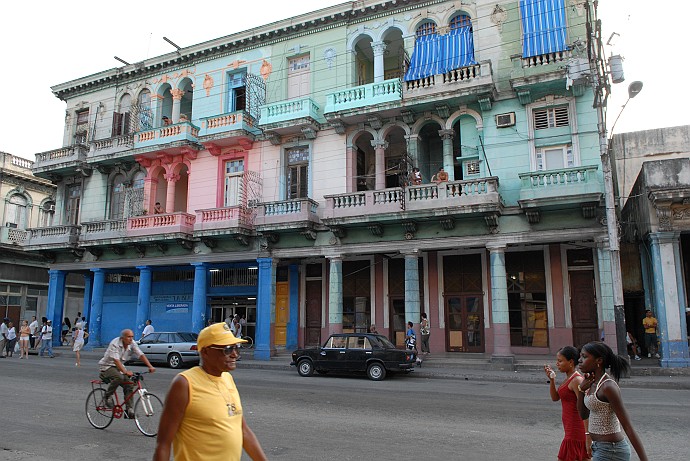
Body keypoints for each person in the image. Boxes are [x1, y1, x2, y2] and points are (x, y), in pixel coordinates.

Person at [153, 322, 267, 461]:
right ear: (206, 352)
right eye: (227, 349)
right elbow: (163, 444)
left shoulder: (227, 378)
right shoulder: (184, 384)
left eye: (236, 348)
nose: (234, 354)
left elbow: (243, 430)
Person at [576, 341, 648, 461]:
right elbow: (583, 415)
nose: (579, 360)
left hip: (611, 451)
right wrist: (581, 390)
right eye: (580, 356)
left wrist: (644, 459)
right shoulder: (591, 383)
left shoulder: (608, 387)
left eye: (584, 356)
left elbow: (627, 426)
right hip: (599, 448)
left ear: (599, 360)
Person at [544, 346, 590, 461]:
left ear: (570, 362)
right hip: (570, 428)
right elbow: (555, 398)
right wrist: (552, 379)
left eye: (560, 361)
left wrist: (587, 434)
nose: (557, 364)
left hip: (576, 430)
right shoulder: (569, 378)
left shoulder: (577, 380)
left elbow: (585, 408)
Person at [98, 329, 156, 418]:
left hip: (119, 367)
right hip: (107, 367)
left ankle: (129, 410)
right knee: (119, 377)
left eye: (132, 337)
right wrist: (125, 372)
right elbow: (116, 361)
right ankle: (107, 396)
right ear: (122, 338)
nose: (131, 339)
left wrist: (150, 366)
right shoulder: (115, 343)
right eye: (128, 337)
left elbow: (140, 354)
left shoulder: (132, 343)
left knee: (130, 384)